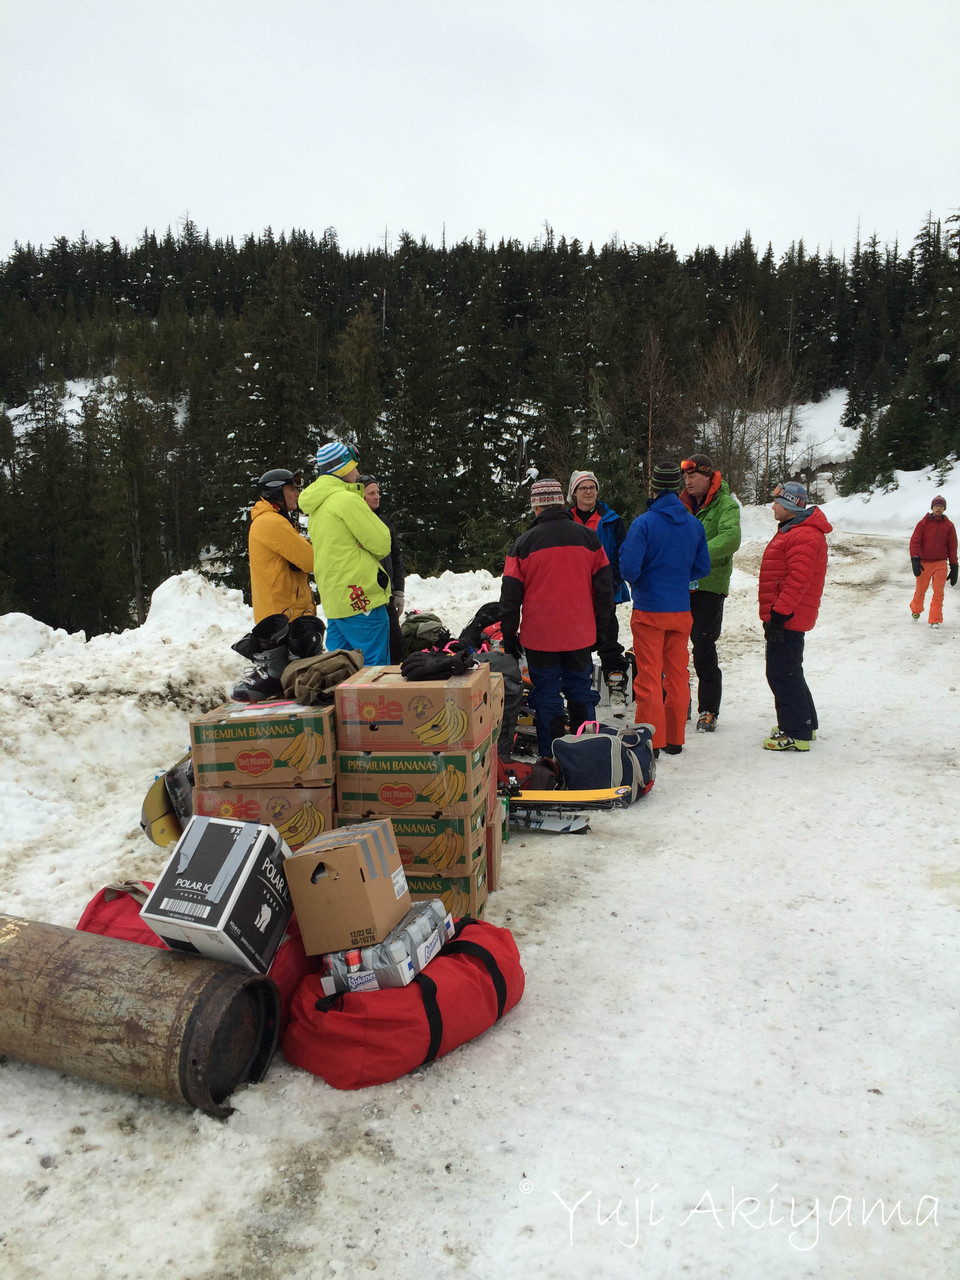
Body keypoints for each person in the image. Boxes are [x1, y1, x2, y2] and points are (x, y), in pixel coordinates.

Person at [499, 478, 617, 758]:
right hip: (580, 635)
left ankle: (551, 756)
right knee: (581, 692)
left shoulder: (523, 544)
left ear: (536, 506)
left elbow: (510, 596)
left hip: (540, 639)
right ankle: (585, 753)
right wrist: (603, 631)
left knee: (547, 696)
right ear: (562, 501)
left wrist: (509, 634)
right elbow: (604, 591)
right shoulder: (589, 539)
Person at [620, 461, 710, 757]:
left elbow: (629, 569)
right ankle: (674, 739)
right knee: (677, 675)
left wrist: (647, 577)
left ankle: (651, 740)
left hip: (649, 610)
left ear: (654, 486)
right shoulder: (693, 524)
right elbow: (701, 567)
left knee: (648, 675)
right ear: (678, 485)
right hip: (680, 611)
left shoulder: (644, 523)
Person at [298, 441, 392, 665]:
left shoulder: (318, 505)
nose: (358, 471)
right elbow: (382, 543)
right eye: (353, 464)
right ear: (340, 467)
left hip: (335, 601)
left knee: (343, 670)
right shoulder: (347, 500)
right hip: (361, 598)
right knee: (373, 670)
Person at [758, 481, 832, 752]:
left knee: (782, 672)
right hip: (787, 614)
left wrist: (778, 616)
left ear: (790, 506)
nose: (773, 506)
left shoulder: (804, 535)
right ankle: (805, 722)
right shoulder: (795, 530)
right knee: (789, 670)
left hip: (788, 616)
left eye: (777, 502)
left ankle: (796, 732)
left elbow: (797, 581)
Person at [679, 453, 742, 732]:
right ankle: (680, 703)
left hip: (709, 587)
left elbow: (731, 538)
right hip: (680, 586)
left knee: (703, 647)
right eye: (685, 476)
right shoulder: (682, 504)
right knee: (674, 648)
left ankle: (708, 709)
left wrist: (696, 556)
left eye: (693, 476)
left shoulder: (726, 505)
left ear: (708, 477)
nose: (688, 481)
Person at [566, 470, 629, 700]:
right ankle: (577, 687)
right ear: (574, 492)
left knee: (608, 638)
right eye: (583, 488)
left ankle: (616, 686)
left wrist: (613, 581)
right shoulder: (565, 520)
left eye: (592, 487)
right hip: (574, 594)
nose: (589, 491)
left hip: (605, 590)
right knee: (575, 642)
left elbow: (623, 554)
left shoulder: (611, 520)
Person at [247, 468, 317, 624]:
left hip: (282, 614)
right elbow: (310, 560)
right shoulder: (272, 522)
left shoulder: (271, 520)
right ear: (276, 493)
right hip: (286, 616)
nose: (297, 494)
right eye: (292, 489)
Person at [359, 475, 406, 661]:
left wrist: (399, 591)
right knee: (374, 651)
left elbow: (396, 557)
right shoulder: (355, 524)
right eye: (371, 493)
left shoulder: (384, 521)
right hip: (367, 599)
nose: (376, 497)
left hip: (387, 595)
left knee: (395, 645)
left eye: (377, 492)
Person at [909, 495, 957, 628]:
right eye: (936, 506)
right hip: (924, 563)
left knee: (938, 592)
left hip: (941, 564)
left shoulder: (949, 526)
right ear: (932, 508)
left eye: (941, 506)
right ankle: (916, 609)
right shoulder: (923, 524)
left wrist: (954, 565)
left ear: (944, 508)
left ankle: (935, 619)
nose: (938, 508)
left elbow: (953, 547)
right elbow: (915, 542)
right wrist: (915, 559)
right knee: (920, 590)